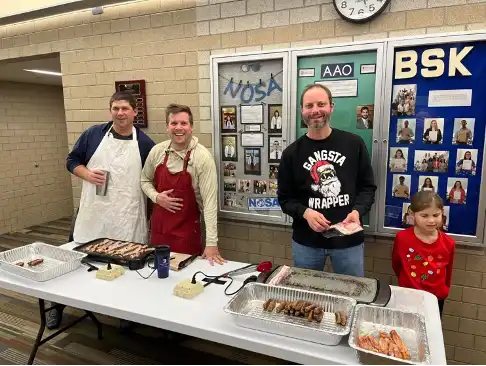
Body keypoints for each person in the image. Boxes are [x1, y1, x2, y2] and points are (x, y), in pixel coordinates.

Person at [48, 91, 156, 331]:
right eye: (116, 108)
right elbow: (71, 161)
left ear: (134, 112)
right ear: (110, 110)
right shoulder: (93, 135)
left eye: (125, 109)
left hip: (126, 215)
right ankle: (55, 307)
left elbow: (151, 179)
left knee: (126, 266)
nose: (120, 113)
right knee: (75, 262)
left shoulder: (146, 144)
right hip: (94, 212)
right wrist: (86, 173)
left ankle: (125, 312)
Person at [277, 84, 376, 276]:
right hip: (307, 243)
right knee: (306, 296)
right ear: (302, 111)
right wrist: (305, 213)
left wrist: (357, 211)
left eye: (321, 104)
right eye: (309, 105)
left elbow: (367, 187)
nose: (315, 110)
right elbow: (285, 198)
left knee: (353, 293)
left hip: (348, 241)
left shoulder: (354, 144)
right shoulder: (291, 153)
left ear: (331, 106)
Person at [141, 103, 225, 264]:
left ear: (191, 127)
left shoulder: (202, 158)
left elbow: (209, 204)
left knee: (184, 282)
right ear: (167, 127)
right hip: (159, 233)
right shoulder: (157, 152)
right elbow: (144, 180)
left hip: (186, 235)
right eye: (174, 123)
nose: (178, 128)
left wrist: (212, 243)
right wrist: (156, 197)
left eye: (183, 123)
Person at [392, 191, 455, 317]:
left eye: (436, 215)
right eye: (424, 216)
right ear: (412, 214)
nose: (431, 220)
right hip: (408, 296)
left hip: (435, 298)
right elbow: (397, 264)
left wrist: (443, 291)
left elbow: (448, 272)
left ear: (442, 213)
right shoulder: (402, 238)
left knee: (431, 331)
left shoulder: (448, 243)